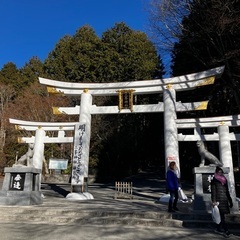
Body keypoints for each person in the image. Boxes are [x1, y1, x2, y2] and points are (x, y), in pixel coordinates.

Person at [211, 166, 233, 238]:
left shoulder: (224, 180)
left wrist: (230, 200)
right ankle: (227, 231)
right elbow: (213, 191)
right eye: (219, 172)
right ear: (216, 172)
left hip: (224, 200)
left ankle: (218, 228)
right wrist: (213, 201)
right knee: (222, 217)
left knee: (221, 216)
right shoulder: (214, 180)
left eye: (221, 172)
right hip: (218, 201)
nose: (220, 173)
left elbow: (227, 191)